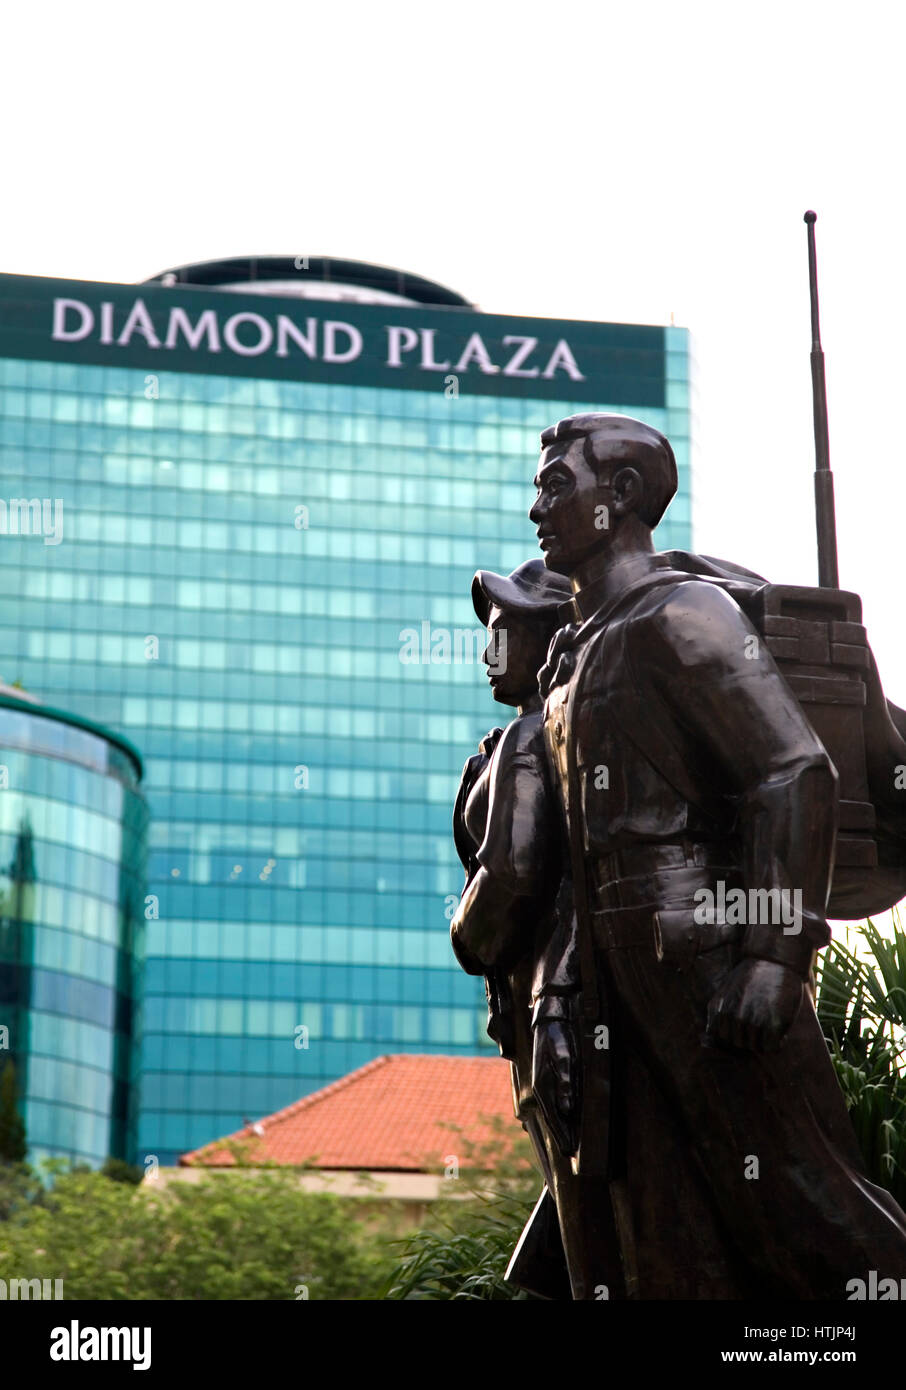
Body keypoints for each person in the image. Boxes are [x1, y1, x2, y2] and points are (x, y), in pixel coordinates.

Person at [462, 410, 906, 1299]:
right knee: (663, 1233)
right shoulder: (571, 664)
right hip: (616, 979)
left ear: (620, 497)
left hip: (706, 952)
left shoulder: (682, 615)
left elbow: (792, 774)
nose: (537, 510)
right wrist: (563, 997)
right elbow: (577, 876)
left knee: (802, 1207)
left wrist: (775, 958)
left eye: (557, 486)